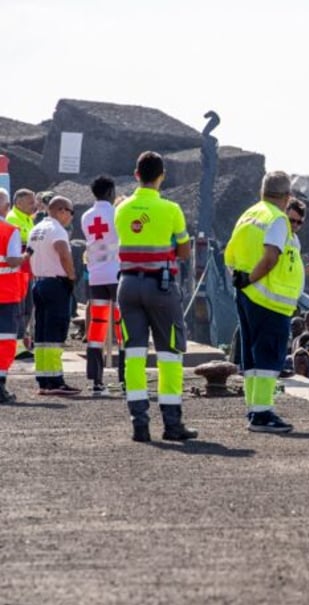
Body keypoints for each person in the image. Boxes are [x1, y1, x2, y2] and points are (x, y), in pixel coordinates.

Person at [115, 151, 196, 442]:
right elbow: (185, 251)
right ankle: (172, 425)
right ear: (162, 176)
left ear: (136, 174)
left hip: (127, 287)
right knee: (170, 354)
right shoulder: (171, 209)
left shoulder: (121, 209)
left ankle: (140, 425)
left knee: (134, 354)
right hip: (160, 287)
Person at [224, 170, 303, 434]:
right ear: (286, 196)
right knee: (269, 355)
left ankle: (254, 408)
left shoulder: (248, 215)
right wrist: (250, 278)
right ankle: (263, 413)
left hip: (247, 297)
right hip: (270, 299)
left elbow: (230, 254)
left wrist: (241, 281)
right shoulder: (277, 219)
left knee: (251, 354)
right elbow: (271, 257)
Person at [27, 195, 80, 395]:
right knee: (55, 332)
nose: (71, 217)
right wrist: (71, 275)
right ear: (60, 210)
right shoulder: (57, 230)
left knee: (41, 333)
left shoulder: (36, 229)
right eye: (70, 212)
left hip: (38, 282)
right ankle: (55, 380)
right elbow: (62, 252)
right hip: (55, 283)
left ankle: (44, 379)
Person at [81, 175, 123, 395]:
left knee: (96, 328)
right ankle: (125, 380)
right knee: (122, 328)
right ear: (110, 192)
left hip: (96, 276)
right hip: (117, 275)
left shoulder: (87, 217)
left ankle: (96, 382)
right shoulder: (117, 213)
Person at [6, 188, 37, 359]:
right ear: (18, 202)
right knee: (19, 310)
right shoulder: (13, 219)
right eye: (30, 202)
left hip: (26, 272)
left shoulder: (27, 219)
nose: (34, 205)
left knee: (26, 309)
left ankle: (19, 343)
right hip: (17, 273)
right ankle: (17, 347)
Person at [0, 215, 24, 402]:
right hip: (5, 293)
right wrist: (27, 255)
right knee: (6, 339)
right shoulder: (9, 230)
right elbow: (13, 260)